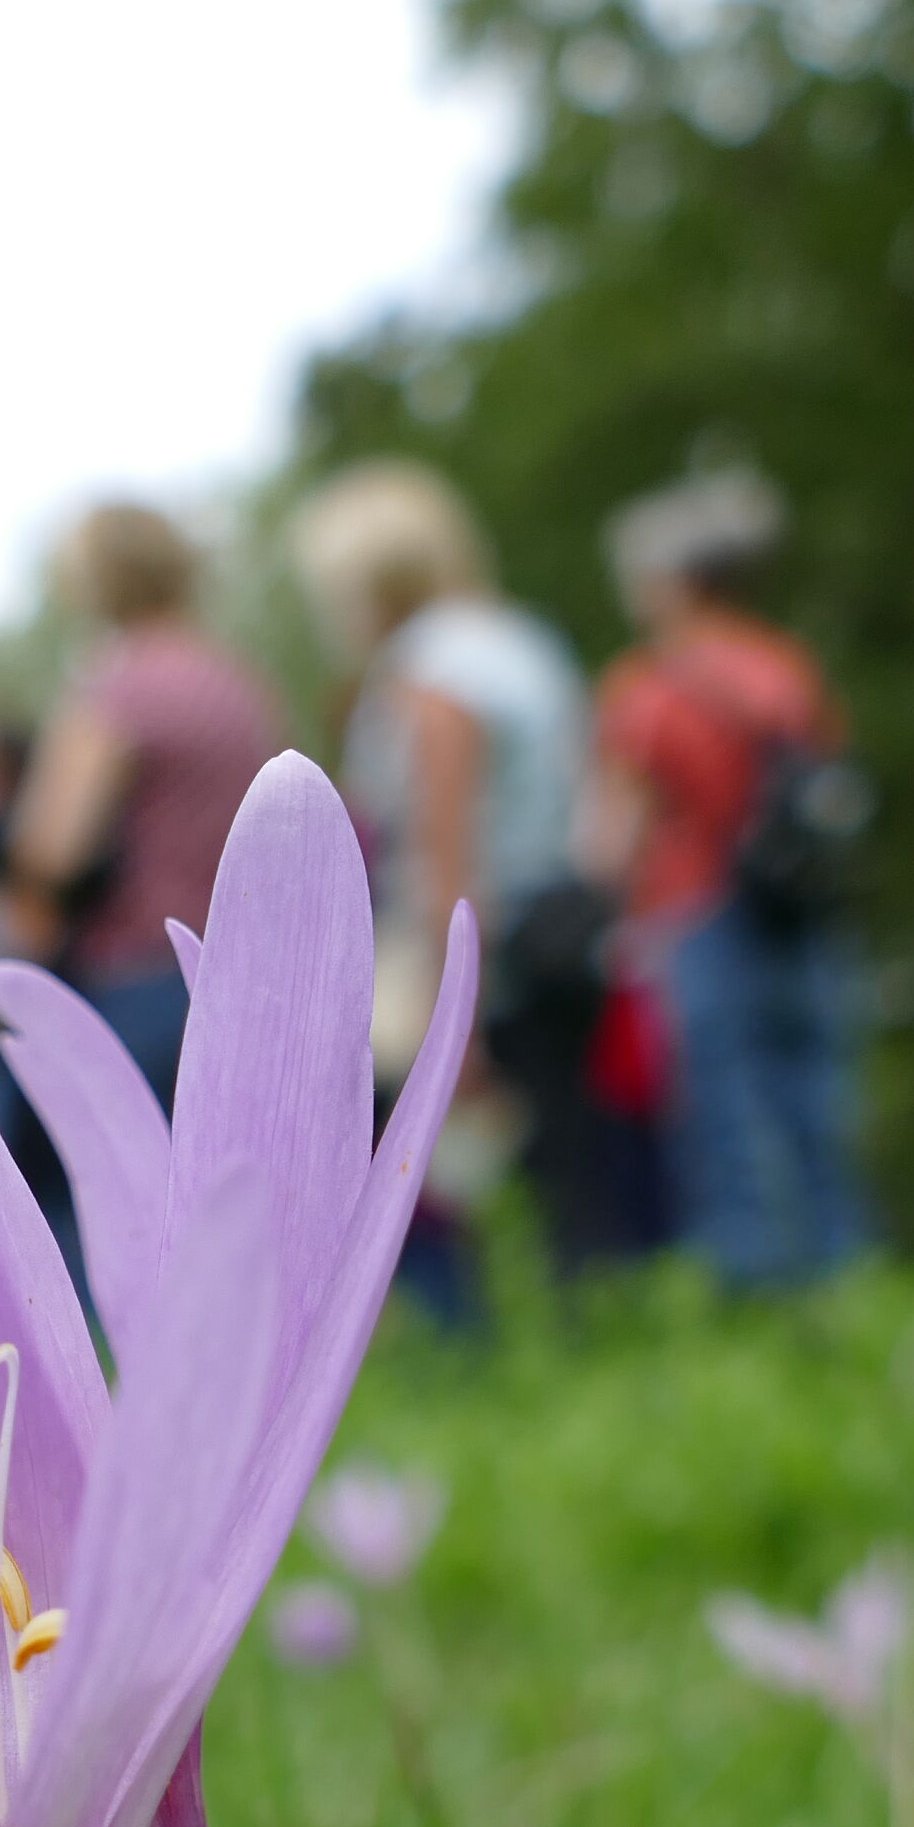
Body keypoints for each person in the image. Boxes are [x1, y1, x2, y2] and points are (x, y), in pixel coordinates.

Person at [288, 460, 627, 1294]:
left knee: (430, 1183)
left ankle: (472, 1357)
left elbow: (444, 842)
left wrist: (454, 1014)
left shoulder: (429, 670)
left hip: (485, 946)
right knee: (568, 1169)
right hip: (563, 932)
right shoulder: (523, 644)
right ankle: (589, 1347)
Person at [581, 467, 870, 1290]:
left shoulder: (651, 687)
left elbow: (612, 840)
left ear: (673, 581)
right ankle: (852, 1291)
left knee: (725, 1128)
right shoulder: (787, 669)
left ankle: (758, 1306)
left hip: (697, 915)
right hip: (800, 914)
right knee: (818, 1116)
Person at [0, 502, 284, 1247]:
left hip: (135, 980)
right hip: (240, 973)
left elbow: (53, 848)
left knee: (108, 1218)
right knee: (224, 1212)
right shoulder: (239, 685)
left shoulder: (117, 690)